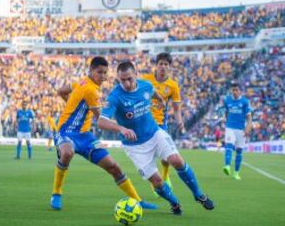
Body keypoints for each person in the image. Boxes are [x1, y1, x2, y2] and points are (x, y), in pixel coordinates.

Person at [98, 61, 214, 215]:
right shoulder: (115, 96)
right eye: (122, 80)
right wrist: (121, 128)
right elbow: (101, 121)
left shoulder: (145, 85)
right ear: (118, 79)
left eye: (129, 79)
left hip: (154, 133)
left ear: (136, 75)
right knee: (157, 182)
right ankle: (174, 203)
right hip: (135, 146)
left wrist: (159, 99)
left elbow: (152, 92)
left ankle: (199, 194)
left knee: (177, 160)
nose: (126, 83)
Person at [50, 56, 156, 211]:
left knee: (113, 167)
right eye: (100, 72)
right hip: (66, 132)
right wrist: (122, 128)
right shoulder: (91, 90)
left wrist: (71, 105)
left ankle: (137, 200)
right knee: (67, 152)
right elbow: (101, 118)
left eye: (105, 73)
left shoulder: (80, 82)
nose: (103, 76)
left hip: (85, 136)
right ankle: (56, 193)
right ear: (91, 71)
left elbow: (61, 91)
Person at [142, 52, 185, 190]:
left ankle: (165, 176)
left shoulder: (173, 86)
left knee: (166, 156)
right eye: (160, 63)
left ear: (169, 67)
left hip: (161, 124)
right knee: (148, 156)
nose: (163, 67)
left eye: (166, 64)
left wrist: (180, 121)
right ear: (156, 65)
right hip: (144, 123)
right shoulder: (145, 80)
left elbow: (176, 109)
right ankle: (155, 183)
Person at [222, 82, 252, 180]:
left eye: (236, 90)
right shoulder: (227, 100)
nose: (234, 92)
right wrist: (227, 122)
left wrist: (248, 127)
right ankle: (227, 166)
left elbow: (248, 116)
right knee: (229, 145)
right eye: (233, 90)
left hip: (241, 129)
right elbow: (226, 113)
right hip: (230, 127)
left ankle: (236, 173)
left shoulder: (245, 102)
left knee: (239, 150)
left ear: (240, 91)